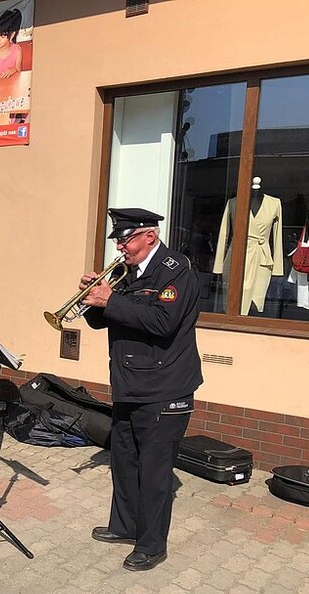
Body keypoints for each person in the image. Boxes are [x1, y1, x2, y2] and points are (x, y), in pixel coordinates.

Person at [81, 208, 203, 572]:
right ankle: (125, 525)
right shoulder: (126, 272)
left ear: (149, 235)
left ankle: (151, 545)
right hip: (129, 383)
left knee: (154, 470)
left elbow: (162, 322)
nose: (121, 246)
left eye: (126, 239)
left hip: (164, 388)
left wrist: (112, 300)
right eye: (118, 240)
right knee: (124, 460)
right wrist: (91, 298)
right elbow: (102, 321)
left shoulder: (175, 268)